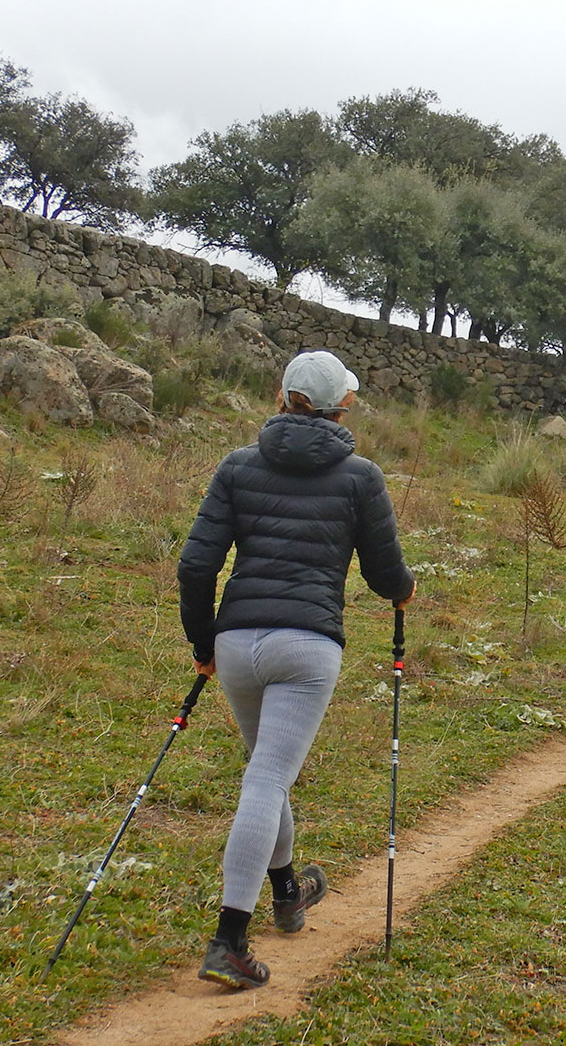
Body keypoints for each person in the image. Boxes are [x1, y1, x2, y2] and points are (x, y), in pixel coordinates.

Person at [177, 349, 415, 989]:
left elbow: (197, 567)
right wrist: (404, 591)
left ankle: (288, 893)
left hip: (236, 644)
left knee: (266, 772)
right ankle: (229, 940)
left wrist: (204, 643)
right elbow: (385, 574)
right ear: (342, 406)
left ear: (283, 399)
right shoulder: (360, 476)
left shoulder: (236, 466)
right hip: (306, 647)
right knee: (266, 779)